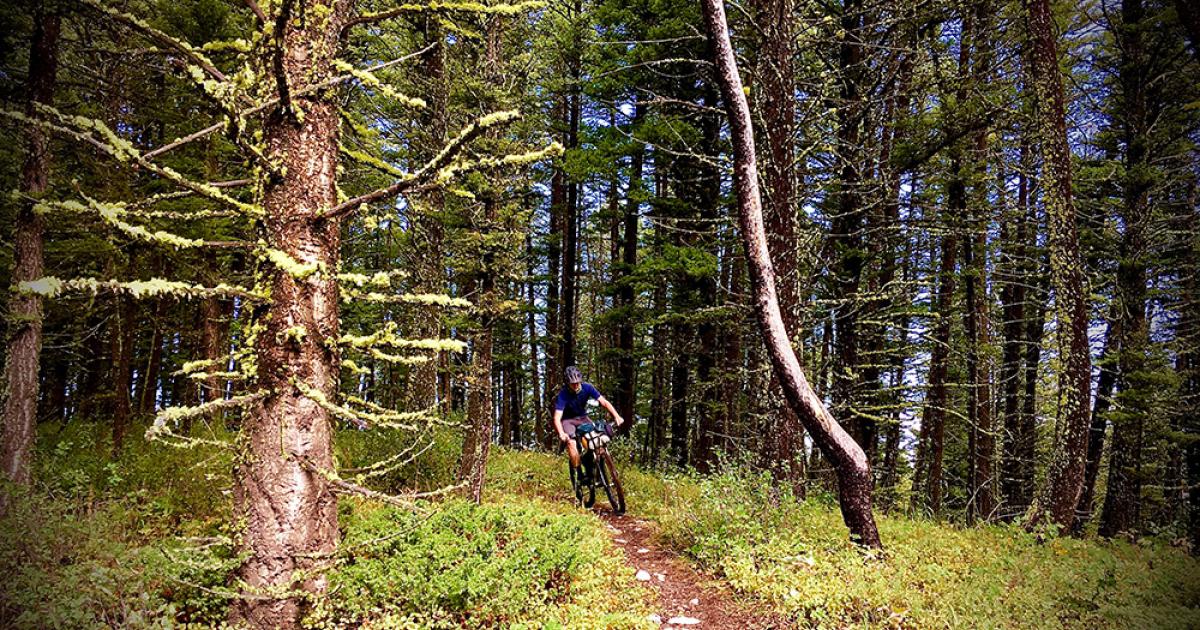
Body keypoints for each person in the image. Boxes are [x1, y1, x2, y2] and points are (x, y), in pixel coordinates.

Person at [553, 366, 624, 480]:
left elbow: (604, 402)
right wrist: (561, 433)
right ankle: (578, 472)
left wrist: (616, 416)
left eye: (577, 383)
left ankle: (592, 464)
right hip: (568, 421)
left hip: (583, 418)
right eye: (572, 383)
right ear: (567, 383)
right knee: (571, 443)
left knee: (597, 439)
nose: (576, 385)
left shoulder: (587, 387)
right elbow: (557, 417)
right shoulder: (563, 394)